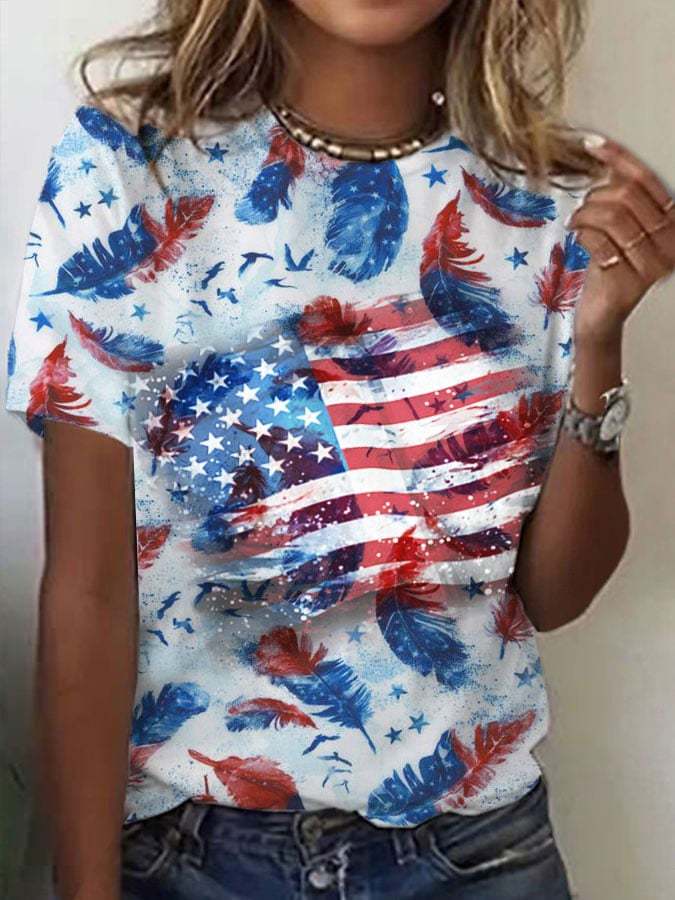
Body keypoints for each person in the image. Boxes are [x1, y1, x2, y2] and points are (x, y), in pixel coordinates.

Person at [4, 1, 674, 898]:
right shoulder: (128, 167)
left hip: (479, 853)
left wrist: (599, 340)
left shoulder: (556, 199)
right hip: (193, 854)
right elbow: (87, 591)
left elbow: (554, 595)